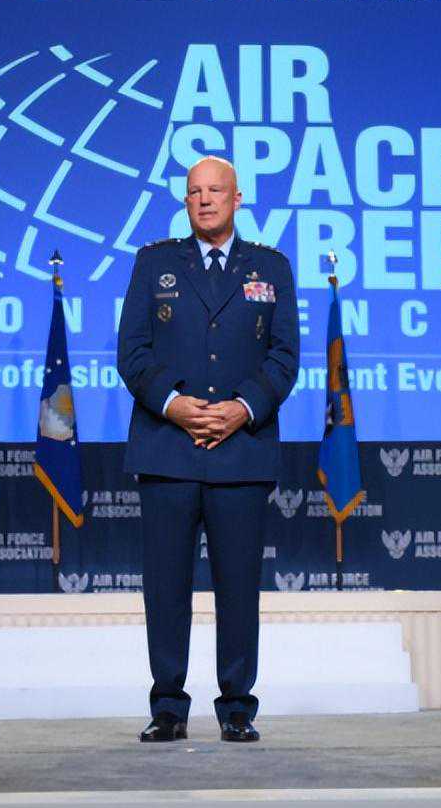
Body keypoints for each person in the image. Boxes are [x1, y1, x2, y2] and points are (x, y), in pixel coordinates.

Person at [117, 156, 300, 743]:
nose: (204, 200)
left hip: (241, 451)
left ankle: (237, 708)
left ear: (236, 198)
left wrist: (242, 408)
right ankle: (168, 708)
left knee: (239, 589)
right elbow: (132, 352)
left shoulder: (271, 266)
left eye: (215, 190)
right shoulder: (154, 262)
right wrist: (173, 404)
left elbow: (284, 356)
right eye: (194, 191)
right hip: (167, 448)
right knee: (165, 589)